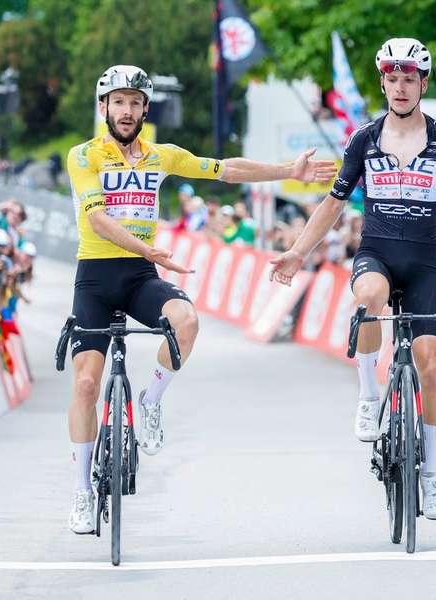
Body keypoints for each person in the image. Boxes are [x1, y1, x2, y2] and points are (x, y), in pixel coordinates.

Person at [65, 64, 336, 534]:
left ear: (146, 109)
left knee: (186, 321)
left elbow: (225, 169)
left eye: (135, 103)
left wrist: (286, 170)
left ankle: (150, 400)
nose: (126, 111)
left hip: (139, 275)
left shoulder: (162, 155)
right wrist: (147, 247)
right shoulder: (84, 156)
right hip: (96, 276)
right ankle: (81, 492)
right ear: (103, 107)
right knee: (86, 386)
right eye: (118, 102)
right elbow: (97, 222)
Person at [269, 38, 436, 521]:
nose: (399, 87)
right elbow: (332, 204)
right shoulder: (364, 138)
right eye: (392, 79)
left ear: (422, 84)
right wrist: (296, 251)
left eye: (409, 79)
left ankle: (431, 474)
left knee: (432, 368)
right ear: (383, 83)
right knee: (368, 297)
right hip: (376, 253)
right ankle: (370, 397)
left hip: (423, 263)